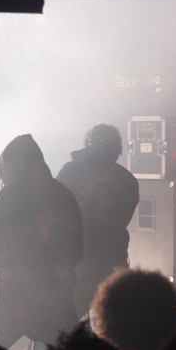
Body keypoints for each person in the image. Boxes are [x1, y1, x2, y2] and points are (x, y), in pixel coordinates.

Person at [0, 134, 84, 348]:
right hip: (57, 295)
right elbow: (76, 252)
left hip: (16, 298)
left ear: (9, 167)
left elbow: (2, 255)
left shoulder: (10, 194)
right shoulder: (62, 192)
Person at [56, 123, 139, 317]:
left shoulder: (70, 170)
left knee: (70, 321)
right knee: (110, 321)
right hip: (111, 262)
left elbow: (53, 209)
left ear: (88, 145)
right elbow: (123, 220)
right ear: (117, 149)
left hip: (77, 262)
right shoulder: (127, 180)